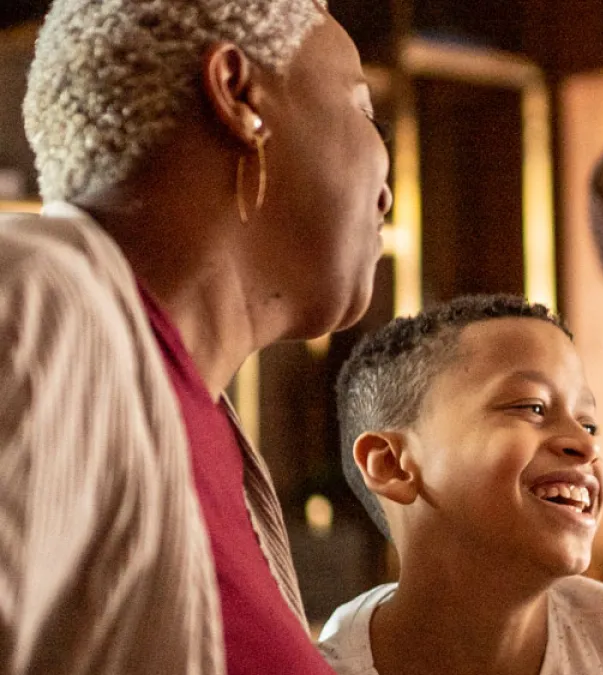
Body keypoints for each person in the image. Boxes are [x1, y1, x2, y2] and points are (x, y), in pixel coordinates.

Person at [0, 0, 392, 673]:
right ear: (239, 94)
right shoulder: (37, 301)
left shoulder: (205, 431)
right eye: (364, 111)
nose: (386, 193)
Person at [322, 294, 603, 675]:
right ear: (392, 465)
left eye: (589, 423)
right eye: (532, 407)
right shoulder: (321, 668)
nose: (586, 444)